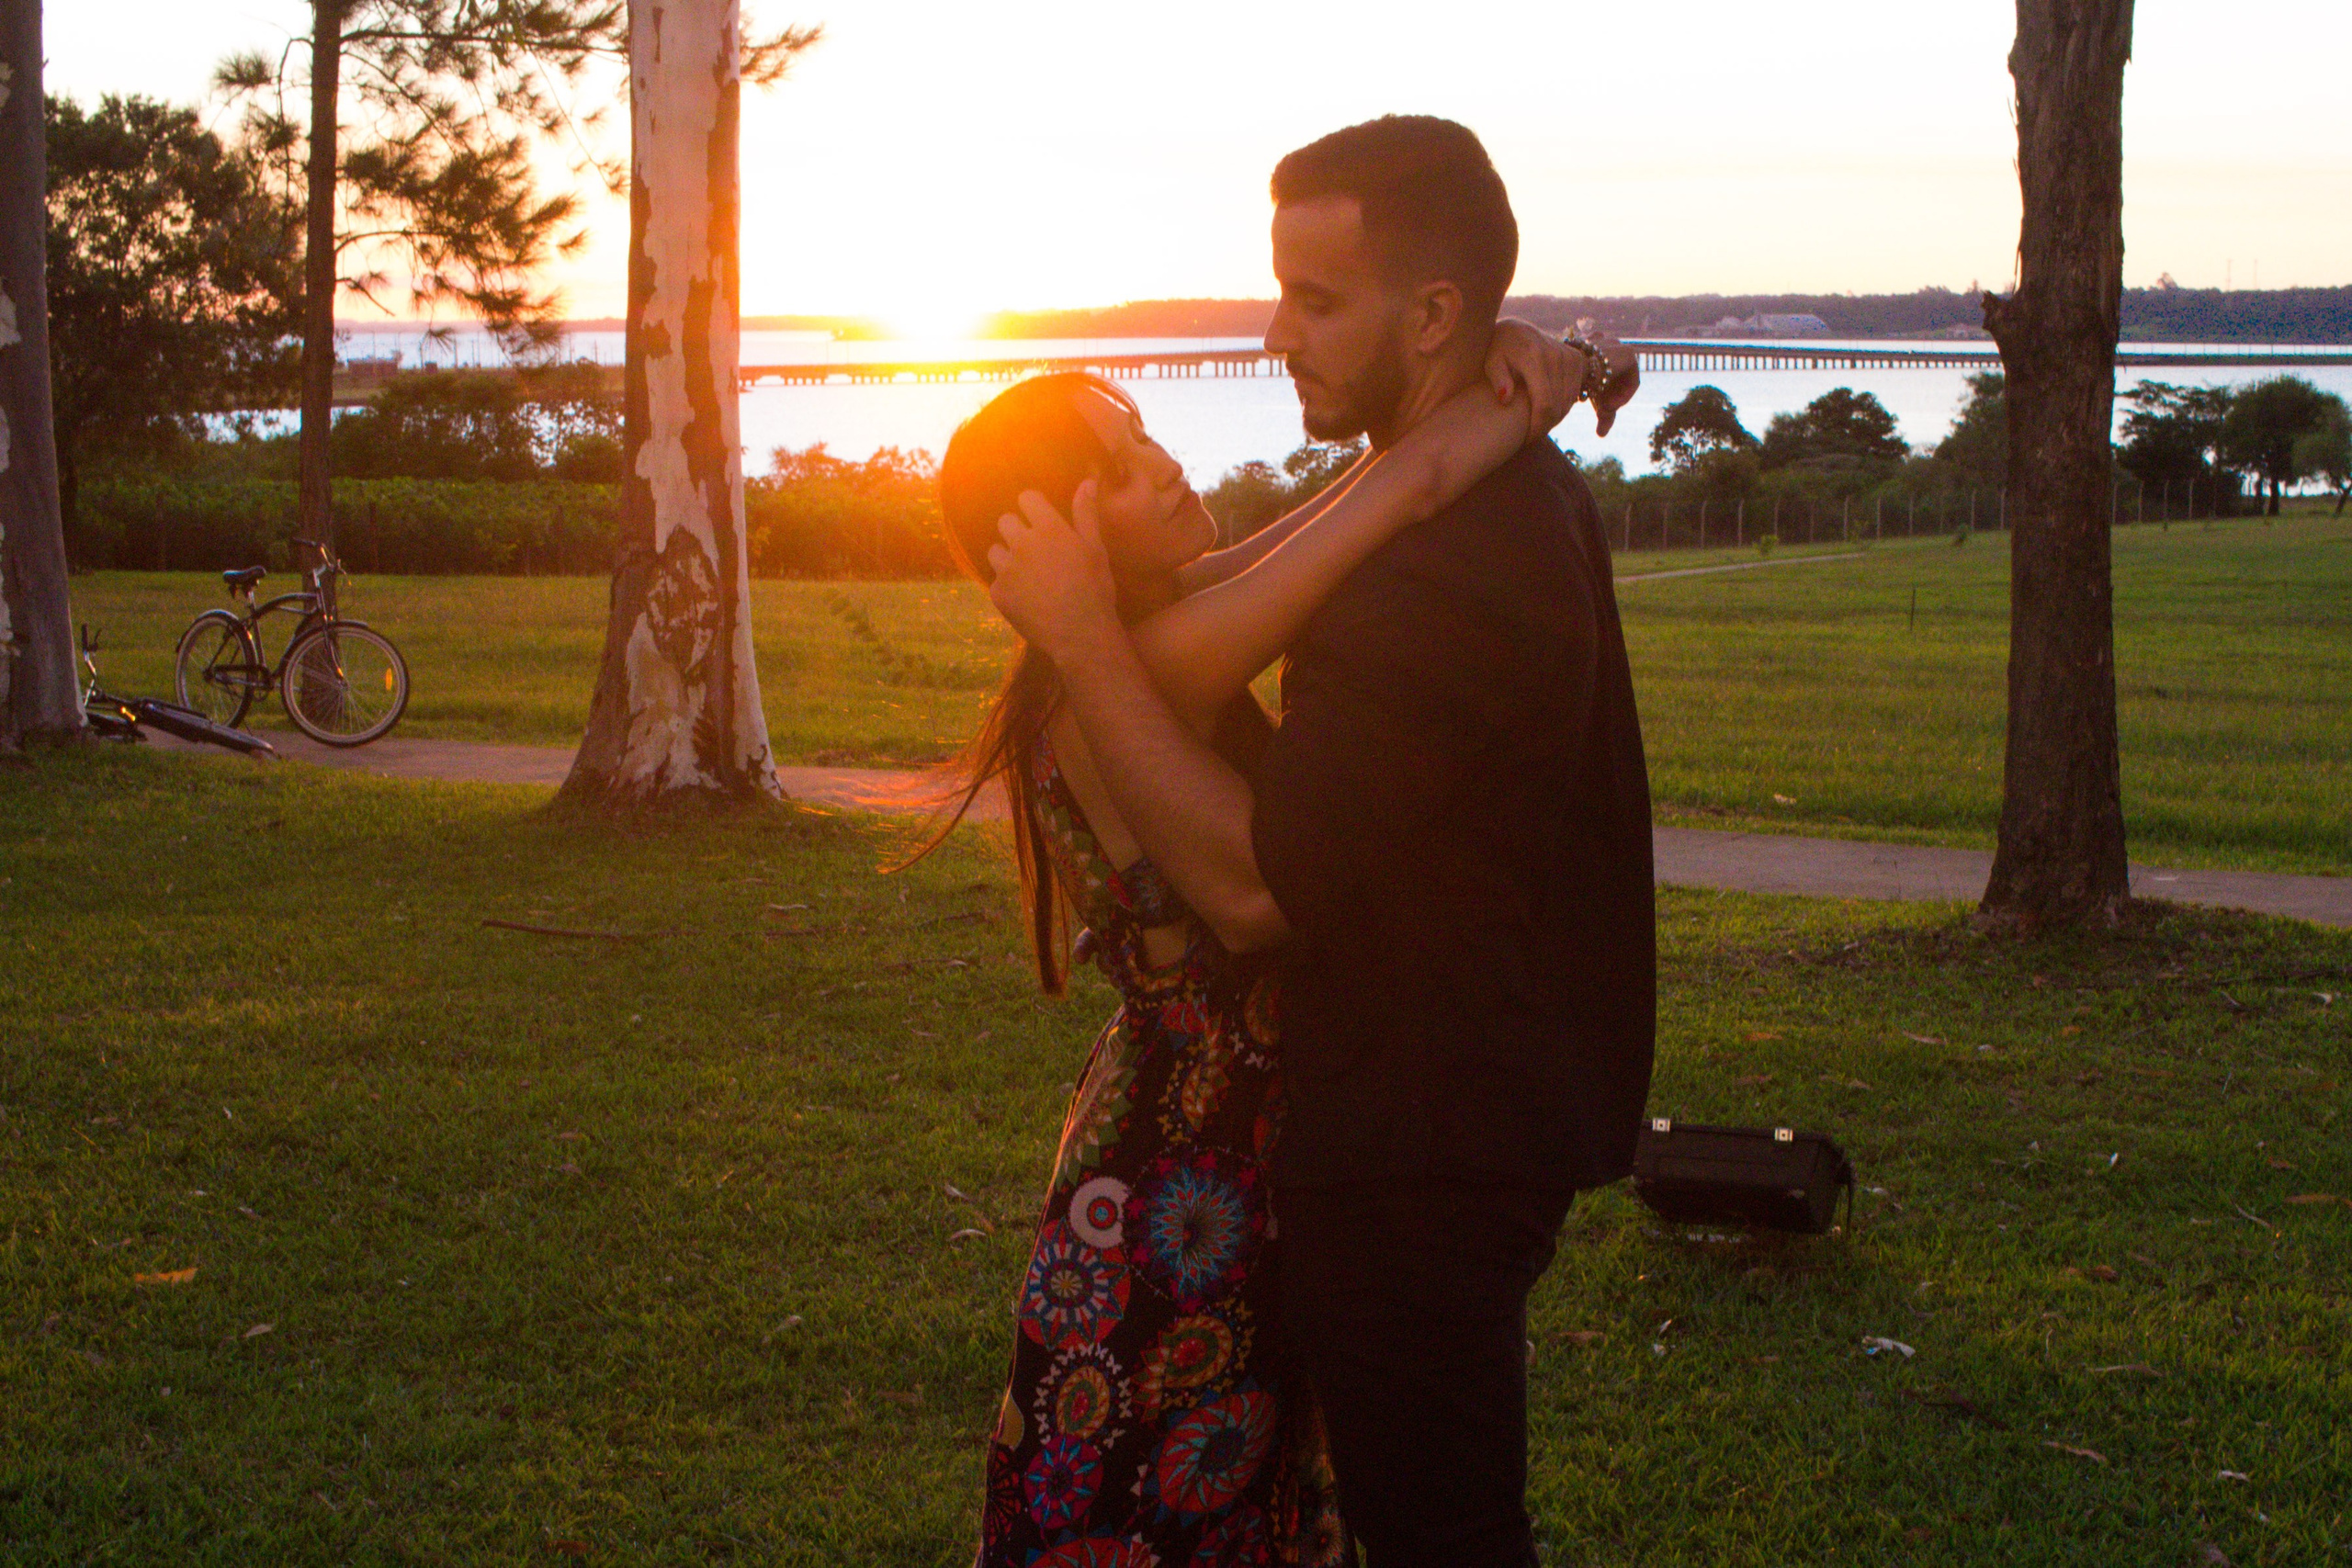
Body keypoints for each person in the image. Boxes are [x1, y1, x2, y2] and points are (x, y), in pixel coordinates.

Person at [982, 117, 1657, 1567]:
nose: (1276, 335)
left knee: (1438, 1535)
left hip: (1424, 1138)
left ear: (1432, 314)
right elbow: (1327, 532)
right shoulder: (1438, 515)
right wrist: (1521, 387)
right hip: (1280, 1153)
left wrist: (1530, 382)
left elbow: (1254, 886)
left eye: (1318, 300)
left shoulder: (1447, 562)